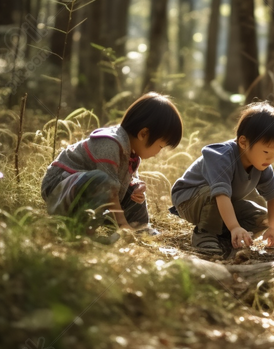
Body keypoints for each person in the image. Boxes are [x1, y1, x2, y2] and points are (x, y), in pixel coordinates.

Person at [40, 92, 183, 243]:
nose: (158, 153)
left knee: (132, 191)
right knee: (101, 181)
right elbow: (109, 189)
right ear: (143, 133)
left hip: (93, 195)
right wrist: (122, 225)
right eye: (160, 146)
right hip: (59, 188)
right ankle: (82, 234)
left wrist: (136, 186)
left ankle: (140, 228)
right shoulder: (110, 143)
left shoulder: (132, 153)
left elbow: (123, 183)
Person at [170, 101, 274, 255]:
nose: (271, 158)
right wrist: (234, 226)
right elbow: (221, 195)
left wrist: (272, 228)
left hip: (221, 203)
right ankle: (205, 234)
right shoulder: (222, 156)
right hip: (189, 200)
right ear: (243, 142)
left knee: (262, 217)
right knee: (214, 195)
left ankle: (225, 235)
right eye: (266, 152)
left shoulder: (262, 164)